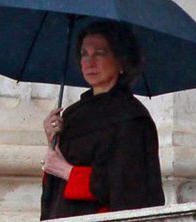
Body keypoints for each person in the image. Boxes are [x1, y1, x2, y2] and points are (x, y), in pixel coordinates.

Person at [40, 21, 165, 220]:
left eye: (100, 53)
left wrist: (69, 172)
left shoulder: (132, 118)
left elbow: (129, 189)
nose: (90, 62)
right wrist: (53, 142)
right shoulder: (72, 115)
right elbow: (55, 187)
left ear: (121, 61)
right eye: (84, 54)